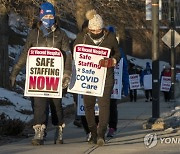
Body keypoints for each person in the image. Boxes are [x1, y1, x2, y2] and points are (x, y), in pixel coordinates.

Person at [9, 2, 72, 145]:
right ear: (41, 16)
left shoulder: (61, 34)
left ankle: (59, 127)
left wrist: (67, 74)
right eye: (46, 15)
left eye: (51, 15)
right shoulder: (33, 34)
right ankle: (39, 130)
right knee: (39, 103)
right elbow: (25, 53)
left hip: (56, 77)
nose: (49, 18)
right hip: (38, 77)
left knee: (56, 105)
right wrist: (15, 72)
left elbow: (68, 55)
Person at [73, 10, 121, 146]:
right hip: (88, 77)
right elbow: (74, 50)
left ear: (102, 28)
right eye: (93, 30)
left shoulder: (110, 37)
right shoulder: (83, 36)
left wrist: (112, 61)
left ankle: (101, 134)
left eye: (98, 29)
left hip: (106, 76)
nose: (96, 32)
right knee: (88, 106)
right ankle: (92, 132)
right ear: (89, 29)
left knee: (104, 105)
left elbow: (118, 54)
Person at [106, 26, 129, 138]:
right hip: (100, 83)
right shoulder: (100, 48)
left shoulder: (119, 52)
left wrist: (125, 86)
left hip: (114, 83)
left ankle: (112, 127)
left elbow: (124, 70)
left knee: (112, 106)